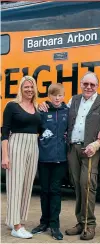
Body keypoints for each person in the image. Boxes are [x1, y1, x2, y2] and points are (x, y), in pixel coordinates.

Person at [39, 71, 100, 240]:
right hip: (72, 149)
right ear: (80, 84)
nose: (88, 87)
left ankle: (89, 225)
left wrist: (98, 141)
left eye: (92, 85)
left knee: (87, 184)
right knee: (77, 185)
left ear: (97, 86)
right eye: (85, 84)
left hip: (90, 149)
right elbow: (57, 110)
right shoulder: (73, 100)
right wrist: (43, 105)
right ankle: (80, 222)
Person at [1, 76, 41, 239]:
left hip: (33, 146)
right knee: (15, 186)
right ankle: (16, 226)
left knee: (26, 186)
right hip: (16, 145)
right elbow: (5, 132)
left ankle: (17, 220)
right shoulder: (12, 106)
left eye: (32, 87)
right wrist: (5, 156)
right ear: (21, 88)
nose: (29, 90)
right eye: (26, 87)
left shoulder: (37, 107)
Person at [31, 83, 68, 240]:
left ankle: (54, 225)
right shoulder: (42, 112)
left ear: (63, 96)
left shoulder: (68, 112)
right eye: (54, 95)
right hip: (44, 158)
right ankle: (43, 222)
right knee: (44, 191)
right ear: (49, 96)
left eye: (60, 95)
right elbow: (35, 129)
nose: (57, 98)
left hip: (60, 159)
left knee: (55, 191)